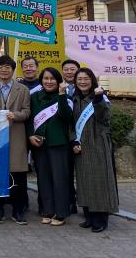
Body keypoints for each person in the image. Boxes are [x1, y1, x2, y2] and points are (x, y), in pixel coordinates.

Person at [0, 55, 31, 225]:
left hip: (16, 134)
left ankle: (18, 211)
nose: (4, 70)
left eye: (7, 67)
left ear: (13, 69)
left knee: (17, 175)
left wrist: (15, 115)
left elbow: (26, 112)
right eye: (1, 67)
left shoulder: (23, 89)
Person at [71, 68, 118, 233]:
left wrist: (98, 99)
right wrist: (73, 141)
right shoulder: (75, 99)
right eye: (79, 79)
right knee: (84, 182)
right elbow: (71, 124)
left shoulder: (99, 97)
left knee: (99, 182)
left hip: (98, 144)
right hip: (80, 146)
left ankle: (101, 219)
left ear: (92, 80)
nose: (82, 82)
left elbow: (104, 117)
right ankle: (89, 216)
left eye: (86, 79)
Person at [26, 67, 72, 226]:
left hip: (58, 143)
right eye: (46, 78)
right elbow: (29, 118)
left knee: (60, 179)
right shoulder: (34, 97)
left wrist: (62, 95)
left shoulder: (64, 97)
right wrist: (30, 135)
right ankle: (48, 210)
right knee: (43, 179)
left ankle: (61, 213)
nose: (49, 81)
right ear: (41, 80)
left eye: (52, 78)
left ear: (58, 80)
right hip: (39, 144)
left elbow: (66, 115)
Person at [61, 58, 81, 214]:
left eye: (72, 69)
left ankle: (87, 202)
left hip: (82, 136)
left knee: (83, 171)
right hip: (63, 136)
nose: (69, 72)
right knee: (66, 172)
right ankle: (69, 201)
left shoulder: (85, 88)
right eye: (66, 69)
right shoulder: (58, 88)